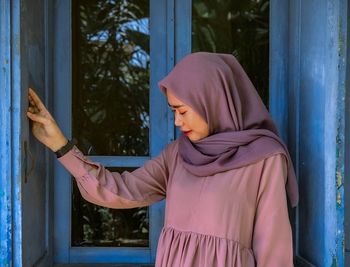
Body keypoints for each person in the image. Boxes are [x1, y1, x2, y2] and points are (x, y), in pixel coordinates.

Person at [27, 52, 299, 267]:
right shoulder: (177, 154)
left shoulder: (264, 158)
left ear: (213, 101)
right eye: (173, 111)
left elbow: (273, 251)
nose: (178, 121)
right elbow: (120, 190)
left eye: (183, 110)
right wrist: (60, 145)